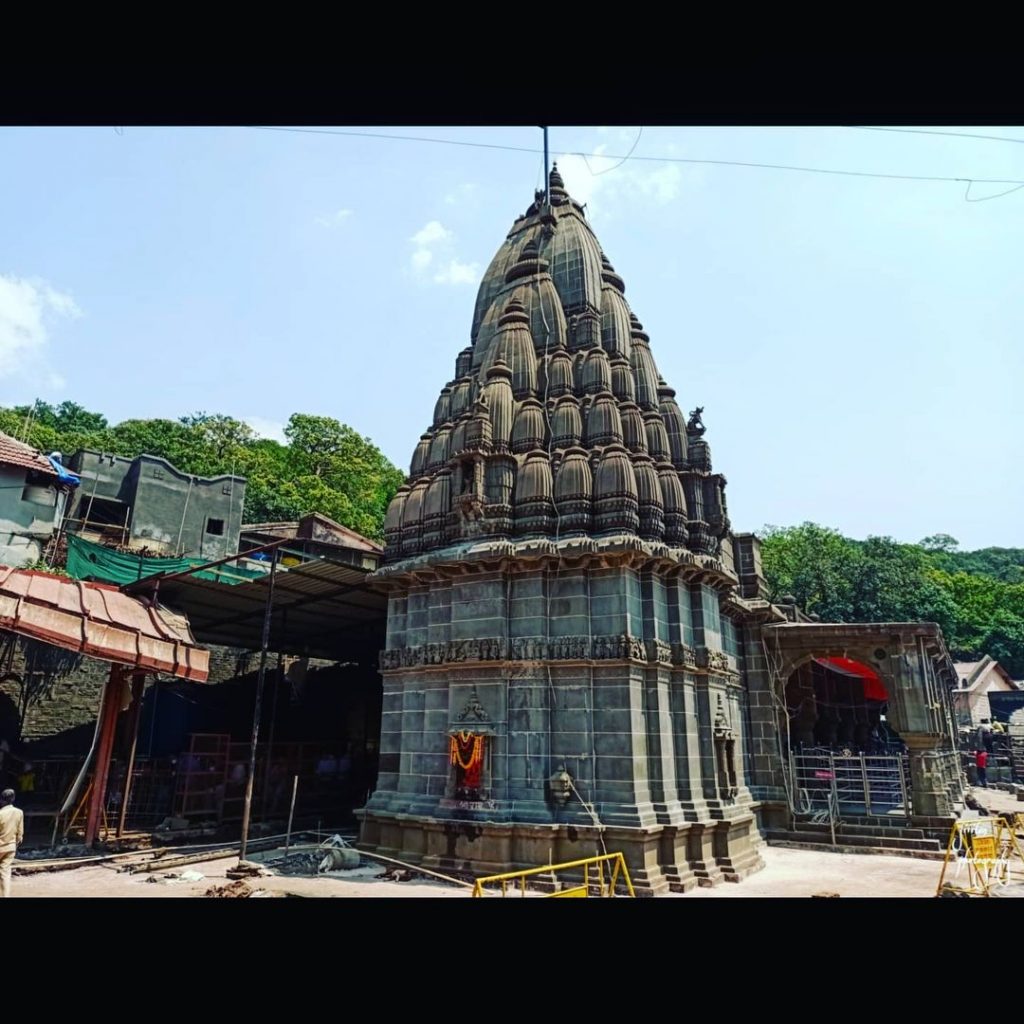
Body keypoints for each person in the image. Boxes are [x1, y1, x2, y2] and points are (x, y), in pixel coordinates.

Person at [0, 788, 24, 898]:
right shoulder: (19, 812)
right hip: (10, 847)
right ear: (13, 799)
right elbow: (20, 834)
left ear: (2, 800)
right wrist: (15, 843)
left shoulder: (1, 814)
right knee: (5, 875)